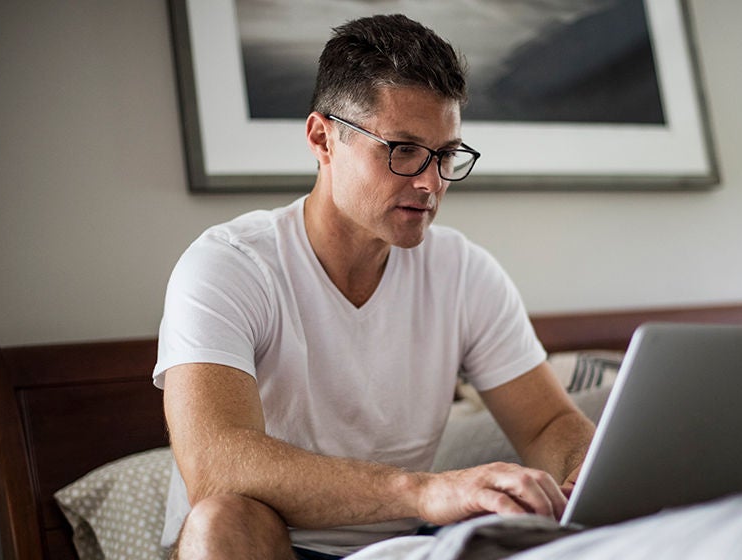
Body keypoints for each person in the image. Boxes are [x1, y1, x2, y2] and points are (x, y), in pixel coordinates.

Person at [154, 14, 596, 560]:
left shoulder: (463, 271)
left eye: (445, 155)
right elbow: (215, 467)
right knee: (224, 517)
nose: (430, 183)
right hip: (270, 543)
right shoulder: (229, 265)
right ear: (322, 139)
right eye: (403, 149)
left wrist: (582, 469)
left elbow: (548, 423)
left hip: (407, 547)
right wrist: (425, 491)